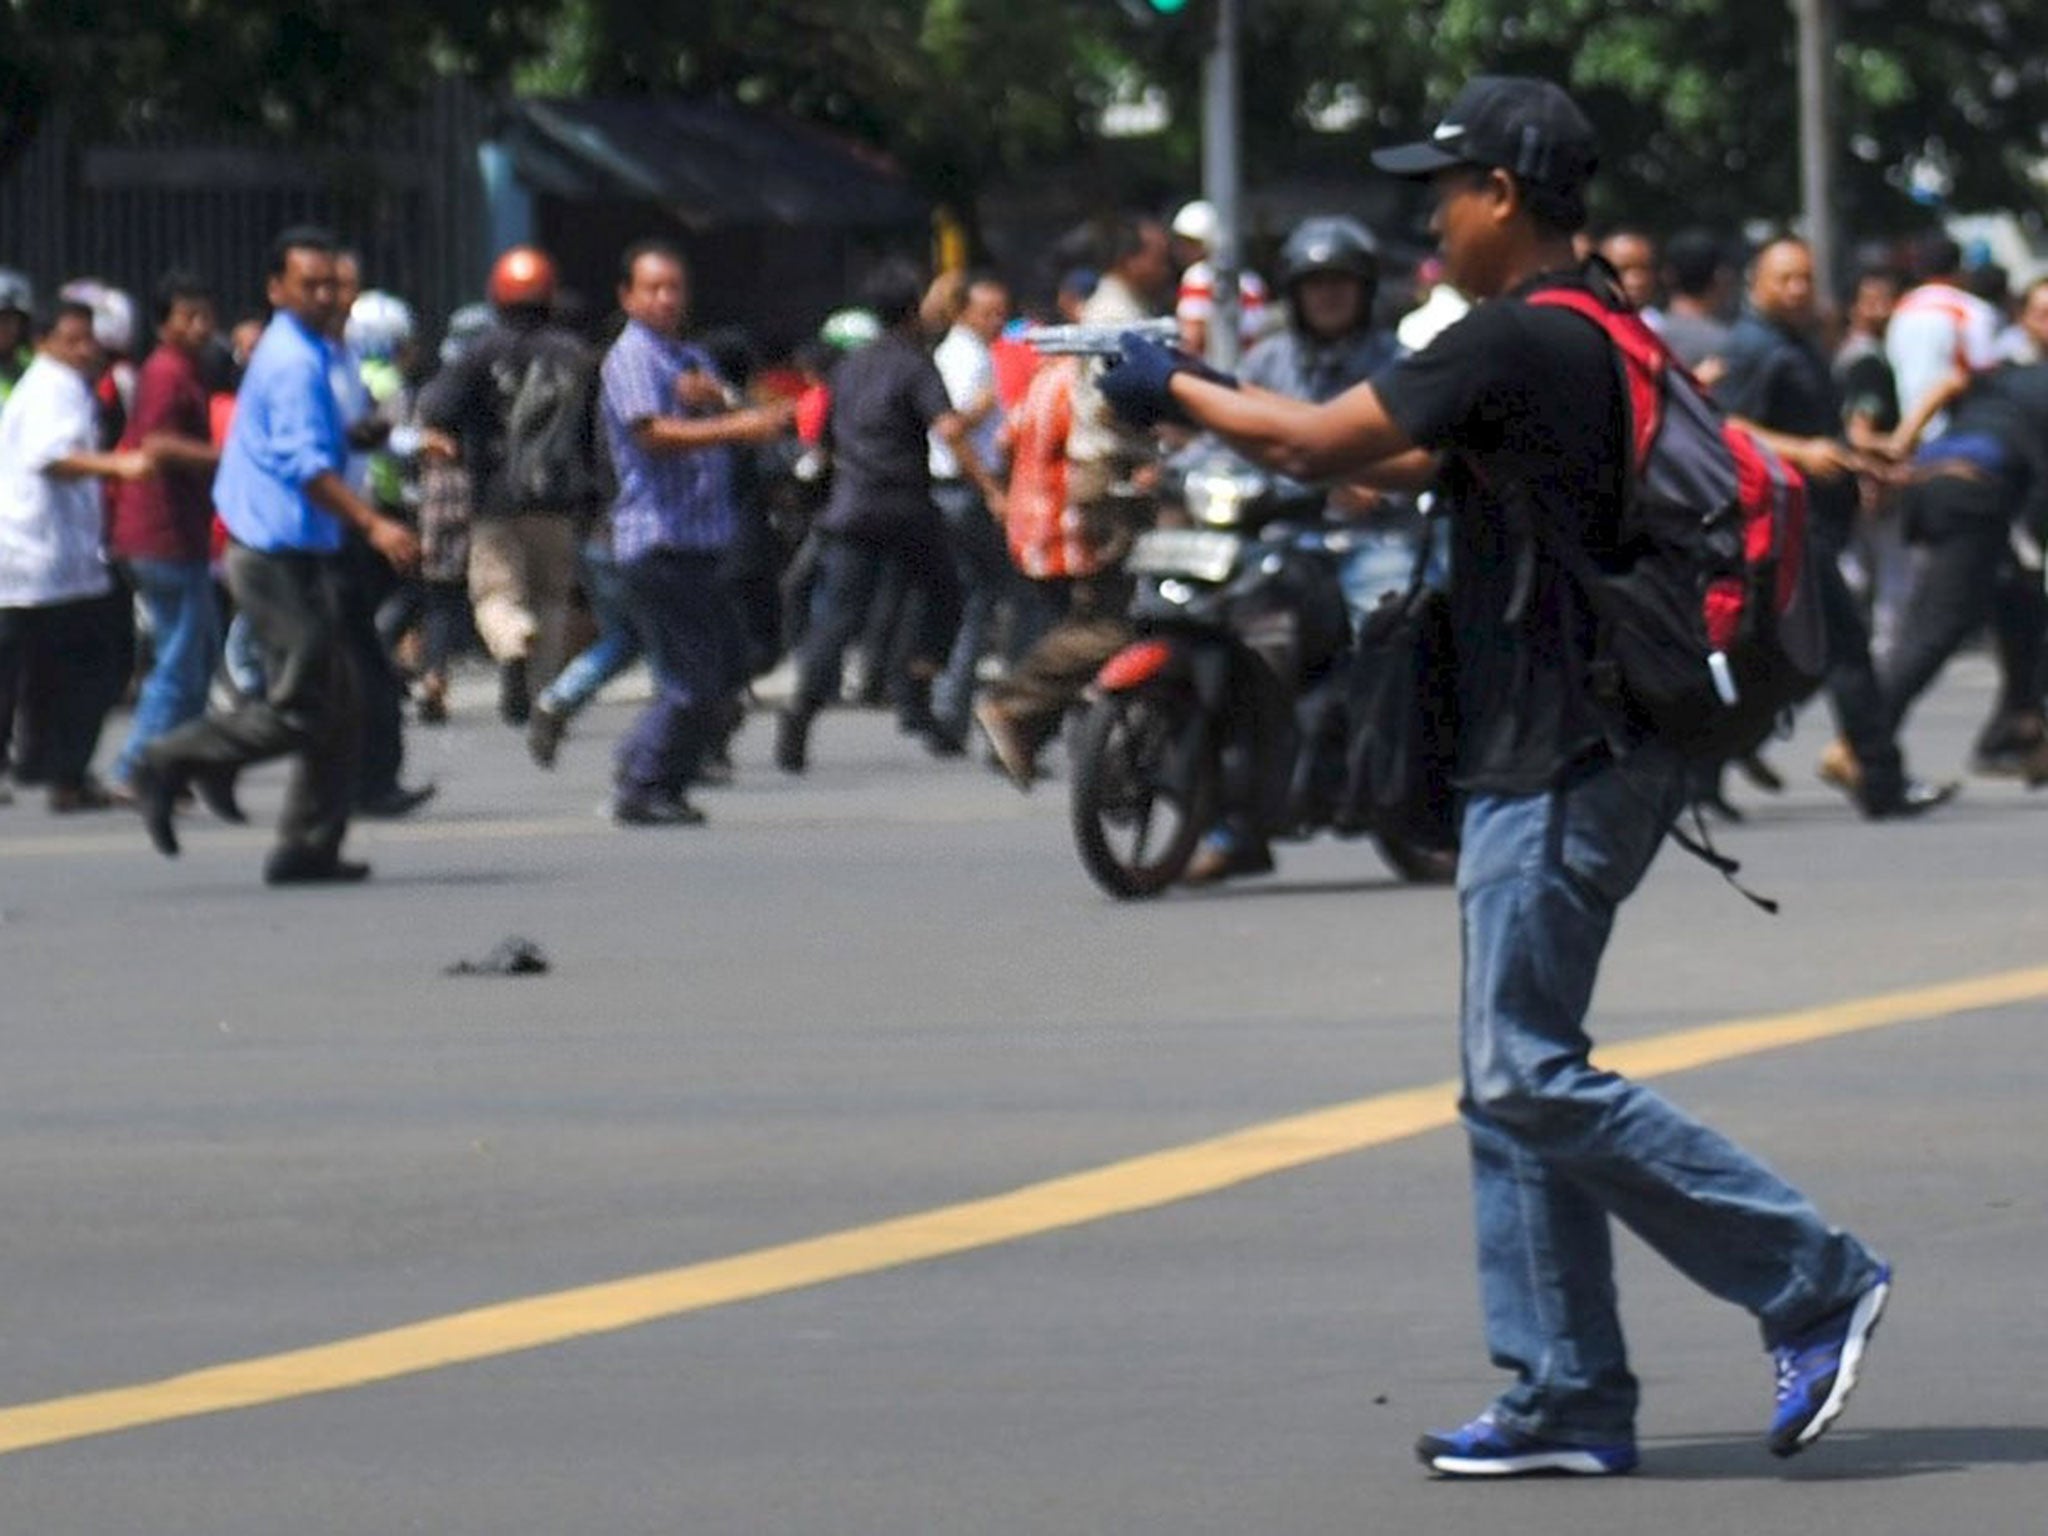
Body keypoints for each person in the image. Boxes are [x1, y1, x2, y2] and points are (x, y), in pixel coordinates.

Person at [1095, 75, 1891, 1477]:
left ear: (1504, 197)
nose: (1430, 221)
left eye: (1444, 192)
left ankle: (1809, 1276)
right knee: (1508, 1078)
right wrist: (1220, 422)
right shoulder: (1588, 333)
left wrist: (1170, 381)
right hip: (1578, 741)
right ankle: (1566, 1397)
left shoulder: (1516, 336)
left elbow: (1319, 436)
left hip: (1570, 752)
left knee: (1522, 1070)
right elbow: (1392, 469)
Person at [132, 226, 421, 885]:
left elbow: (310, 441)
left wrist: (358, 434)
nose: (325, 294)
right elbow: (305, 466)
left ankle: (307, 848)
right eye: (310, 284)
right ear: (276, 289)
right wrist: (375, 525)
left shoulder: (313, 352)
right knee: (303, 705)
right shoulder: (293, 359)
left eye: (331, 282)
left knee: (339, 702)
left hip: (300, 547)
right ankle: (170, 757)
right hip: (274, 553)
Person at [1715, 236, 1952, 820]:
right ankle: (1880, 778)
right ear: (1757, 284)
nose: (1798, 290)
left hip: (1810, 521)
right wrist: (1801, 451)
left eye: (1806, 278)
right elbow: (1722, 425)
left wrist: (1861, 460)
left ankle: (1707, 759)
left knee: (1785, 659)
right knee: (1845, 648)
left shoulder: (1798, 345)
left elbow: (1825, 431)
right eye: (1786, 279)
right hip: (1784, 523)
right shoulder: (1753, 348)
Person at [775, 258, 1005, 773]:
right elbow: (948, 429)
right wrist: (990, 486)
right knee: (946, 593)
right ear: (910, 310)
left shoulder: (848, 367)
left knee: (838, 619)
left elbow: (825, 438)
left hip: (852, 506)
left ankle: (801, 712)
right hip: (904, 506)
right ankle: (917, 684)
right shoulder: (914, 362)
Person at [974, 215, 1174, 788]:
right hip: (1114, 477)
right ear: (1128, 257)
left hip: (1114, 474)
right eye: (1159, 256)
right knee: (1118, 619)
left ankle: (1031, 721)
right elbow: (1117, 403)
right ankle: (1016, 706)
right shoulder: (1116, 318)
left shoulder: (1126, 312)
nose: (1168, 268)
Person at [599, 239, 790, 826]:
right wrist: (735, 426)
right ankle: (644, 784)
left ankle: (646, 765)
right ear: (628, 296)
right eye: (652, 288)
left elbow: (741, 411)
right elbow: (650, 434)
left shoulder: (686, 359)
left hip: (702, 537)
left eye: (673, 288)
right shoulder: (632, 358)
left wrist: (725, 404)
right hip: (659, 536)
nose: (664, 299)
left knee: (728, 666)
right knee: (693, 676)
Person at [419, 245, 600, 729]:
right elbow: (594, 431)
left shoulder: (481, 351)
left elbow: (436, 408)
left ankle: (513, 642)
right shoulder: (578, 356)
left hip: (494, 497)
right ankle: (541, 695)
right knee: (552, 595)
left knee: (496, 593)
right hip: (559, 499)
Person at [0, 297, 152, 811]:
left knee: (43, 669)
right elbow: (54, 458)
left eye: (89, 338)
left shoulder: (57, 384)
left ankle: (52, 767)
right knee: (102, 660)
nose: (86, 349)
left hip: (49, 559)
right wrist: (120, 467)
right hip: (42, 557)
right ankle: (62, 772)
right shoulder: (53, 388)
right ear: (43, 342)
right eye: (73, 340)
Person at [1880, 358, 2048, 780]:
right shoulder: (2017, 372)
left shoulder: (2007, 371)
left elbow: (1946, 385)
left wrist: (1906, 440)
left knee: (2021, 606)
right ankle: (1861, 742)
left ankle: (2015, 730)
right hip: (1974, 491)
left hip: (1937, 481)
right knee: (1937, 629)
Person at [106, 271, 224, 795]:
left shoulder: (185, 368)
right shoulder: (166, 371)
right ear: (162, 325)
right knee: (181, 658)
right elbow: (155, 444)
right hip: (161, 534)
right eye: (188, 317)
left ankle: (173, 764)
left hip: (178, 533)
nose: (200, 326)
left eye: (205, 314)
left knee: (196, 652)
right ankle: (138, 766)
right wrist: (228, 458)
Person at [929, 272, 1015, 749]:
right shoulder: (967, 358)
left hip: (959, 489)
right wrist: (990, 488)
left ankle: (950, 706)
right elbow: (953, 428)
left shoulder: (969, 352)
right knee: (986, 600)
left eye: (1002, 312)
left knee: (972, 601)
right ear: (963, 312)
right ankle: (961, 707)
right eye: (988, 312)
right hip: (964, 490)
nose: (997, 321)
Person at [1171, 199, 1272, 358]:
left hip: (1213, 374)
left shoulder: (1197, 276)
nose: (1181, 249)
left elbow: (1190, 342)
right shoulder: (1253, 281)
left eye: (1190, 242)